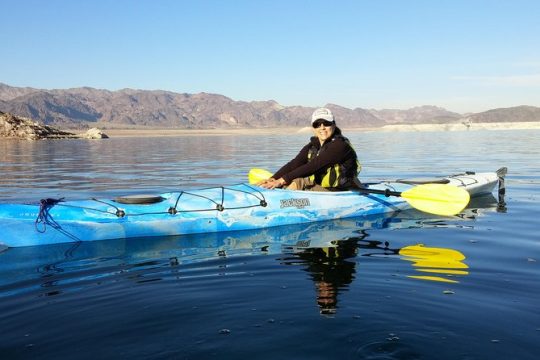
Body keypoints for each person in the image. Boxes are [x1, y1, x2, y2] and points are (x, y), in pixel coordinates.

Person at [258, 107, 360, 191]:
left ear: (333, 125)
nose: (322, 127)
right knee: (284, 183)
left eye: (326, 123)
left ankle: (281, 206)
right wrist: (273, 179)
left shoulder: (340, 146)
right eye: (317, 124)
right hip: (322, 190)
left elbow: (314, 165)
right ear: (313, 128)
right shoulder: (312, 146)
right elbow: (294, 164)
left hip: (341, 191)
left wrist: (281, 180)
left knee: (298, 182)